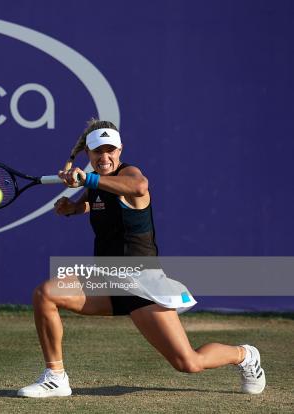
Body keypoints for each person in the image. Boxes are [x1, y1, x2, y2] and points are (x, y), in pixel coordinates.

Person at [17, 119, 266, 398]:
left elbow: (138, 187)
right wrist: (71, 208)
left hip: (142, 285)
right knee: (45, 294)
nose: (105, 156)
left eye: (110, 150)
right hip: (107, 282)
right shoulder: (98, 184)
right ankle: (56, 377)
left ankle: (245, 355)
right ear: (89, 154)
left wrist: (87, 178)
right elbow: (94, 202)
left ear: (120, 150)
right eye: (98, 151)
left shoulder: (129, 174)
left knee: (189, 363)